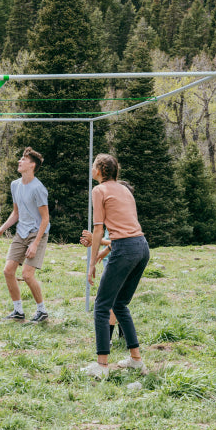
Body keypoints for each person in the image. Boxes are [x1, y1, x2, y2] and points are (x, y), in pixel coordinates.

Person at [83, 154, 149, 379]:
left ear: (100, 169)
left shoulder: (98, 190)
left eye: (94, 165)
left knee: (102, 306)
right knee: (120, 305)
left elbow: (99, 229)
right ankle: (136, 360)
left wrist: (92, 262)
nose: (92, 169)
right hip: (142, 247)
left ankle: (101, 367)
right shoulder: (124, 189)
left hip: (124, 249)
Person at [0, 147, 50, 323]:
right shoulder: (15, 185)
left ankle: (42, 311)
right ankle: (18, 311)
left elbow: (45, 219)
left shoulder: (38, 188)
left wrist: (35, 244)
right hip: (21, 232)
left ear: (32, 165)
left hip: (37, 233)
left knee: (27, 275)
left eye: (23, 159)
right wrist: (2, 229)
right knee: (8, 271)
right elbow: (16, 213)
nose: (19, 161)